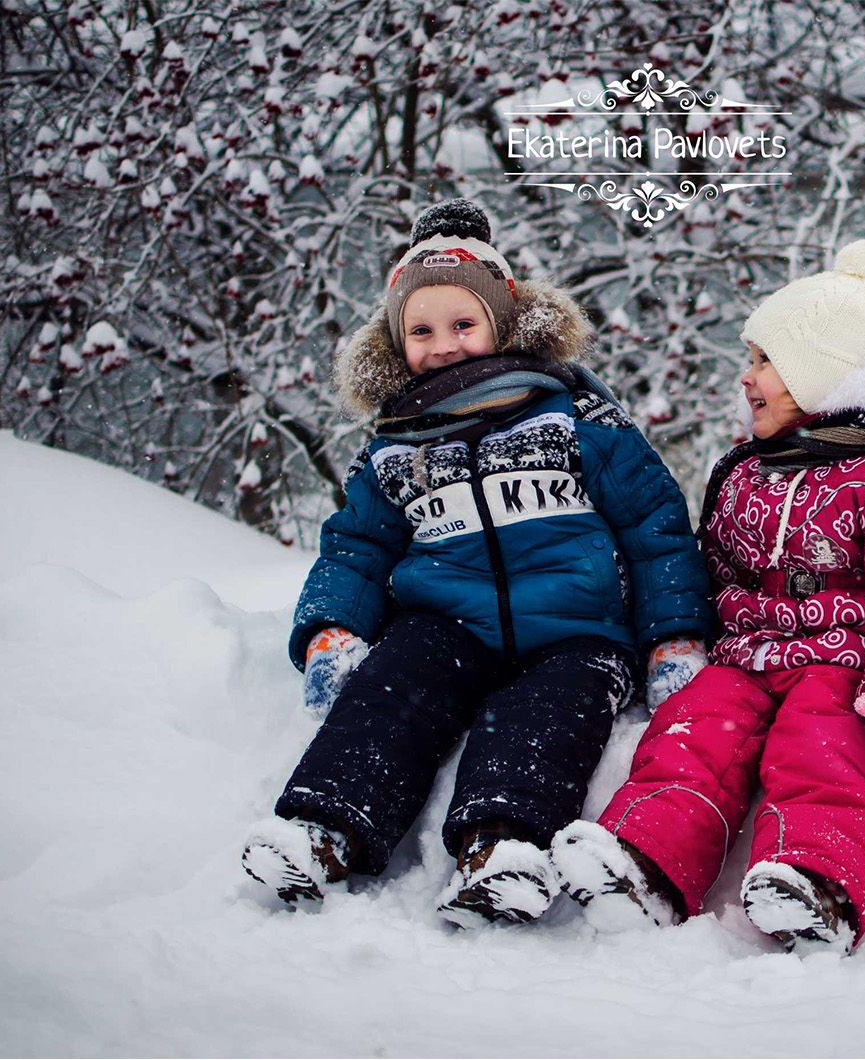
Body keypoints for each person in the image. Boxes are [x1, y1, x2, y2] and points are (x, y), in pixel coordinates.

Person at [241, 199, 713, 927]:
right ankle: (323, 828)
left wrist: (673, 635)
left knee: (547, 716)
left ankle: (502, 845)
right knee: (394, 685)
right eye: (422, 331)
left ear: (502, 322)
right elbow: (357, 546)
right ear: (397, 344)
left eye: (463, 324)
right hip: (447, 621)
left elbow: (656, 527)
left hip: (578, 628)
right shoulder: (396, 445)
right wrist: (330, 627)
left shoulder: (574, 419)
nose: (445, 345)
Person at [551, 237, 865, 954]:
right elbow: (712, 569)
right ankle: (647, 860)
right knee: (690, 737)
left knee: (821, 750)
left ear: (825, 370)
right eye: (750, 360)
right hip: (745, 659)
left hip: (843, 661)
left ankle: (818, 881)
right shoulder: (747, 472)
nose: (747, 379)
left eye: (766, 362)